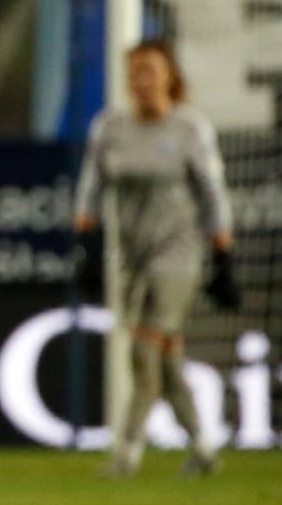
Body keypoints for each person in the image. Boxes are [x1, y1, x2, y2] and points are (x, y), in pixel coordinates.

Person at [74, 38, 237, 477]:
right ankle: (203, 447)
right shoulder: (110, 128)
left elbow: (212, 192)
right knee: (167, 357)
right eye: (135, 72)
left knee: (144, 349)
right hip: (131, 255)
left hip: (180, 252)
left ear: (170, 76)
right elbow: (91, 187)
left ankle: (127, 451)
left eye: (151, 71)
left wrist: (223, 257)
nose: (142, 81)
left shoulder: (189, 129)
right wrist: (86, 246)